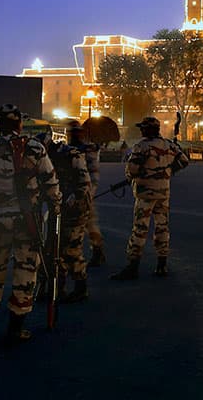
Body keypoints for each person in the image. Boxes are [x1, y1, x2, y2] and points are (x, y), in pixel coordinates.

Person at [0, 104, 61, 345]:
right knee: (26, 271)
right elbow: (50, 181)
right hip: (28, 220)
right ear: (20, 124)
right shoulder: (35, 148)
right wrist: (57, 204)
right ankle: (16, 327)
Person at [111, 116, 189, 280]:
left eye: (143, 128)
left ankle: (133, 265)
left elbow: (132, 169)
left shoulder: (142, 146)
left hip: (145, 193)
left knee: (140, 229)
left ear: (149, 129)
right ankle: (162, 264)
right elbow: (184, 160)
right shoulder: (169, 145)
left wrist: (134, 176)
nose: (141, 130)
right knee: (162, 227)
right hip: (163, 191)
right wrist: (167, 172)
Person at [44, 133, 92, 303]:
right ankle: (59, 287)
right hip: (59, 206)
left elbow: (84, 182)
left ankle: (80, 286)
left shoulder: (71, 154)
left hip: (75, 208)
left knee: (71, 248)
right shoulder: (49, 158)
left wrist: (74, 197)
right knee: (55, 247)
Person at [65, 121, 105, 268]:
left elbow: (93, 175)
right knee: (89, 224)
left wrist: (88, 194)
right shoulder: (71, 149)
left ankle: (93, 252)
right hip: (75, 192)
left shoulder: (86, 150)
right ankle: (96, 250)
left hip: (83, 193)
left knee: (84, 225)